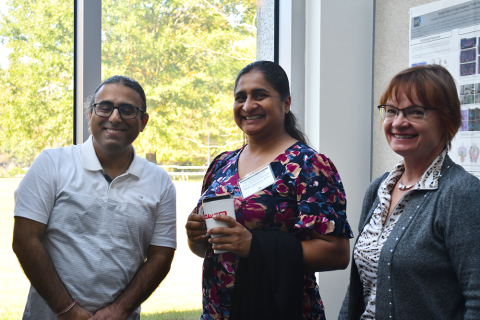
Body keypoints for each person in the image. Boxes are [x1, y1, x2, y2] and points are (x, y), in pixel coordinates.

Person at [186, 61, 353, 320]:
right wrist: (196, 237)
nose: (248, 106)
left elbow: (337, 253)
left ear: (286, 103)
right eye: (240, 97)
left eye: (260, 95)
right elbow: (209, 251)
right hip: (219, 311)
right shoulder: (222, 164)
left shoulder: (308, 165)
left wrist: (254, 245)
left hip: (278, 308)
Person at [12, 75, 176, 319]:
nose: (115, 117)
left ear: (143, 122)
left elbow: (161, 255)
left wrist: (119, 310)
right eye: (105, 107)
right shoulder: (52, 164)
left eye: (127, 110)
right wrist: (66, 310)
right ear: (90, 115)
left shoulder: (160, 182)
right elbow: (25, 240)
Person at [338, 65, 480, 320]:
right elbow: (360, 289)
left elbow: (477, 298)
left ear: (447, 118)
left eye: (416, 112)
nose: (399, 122)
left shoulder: (462, 194)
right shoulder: (379, 188)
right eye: (391, 111)